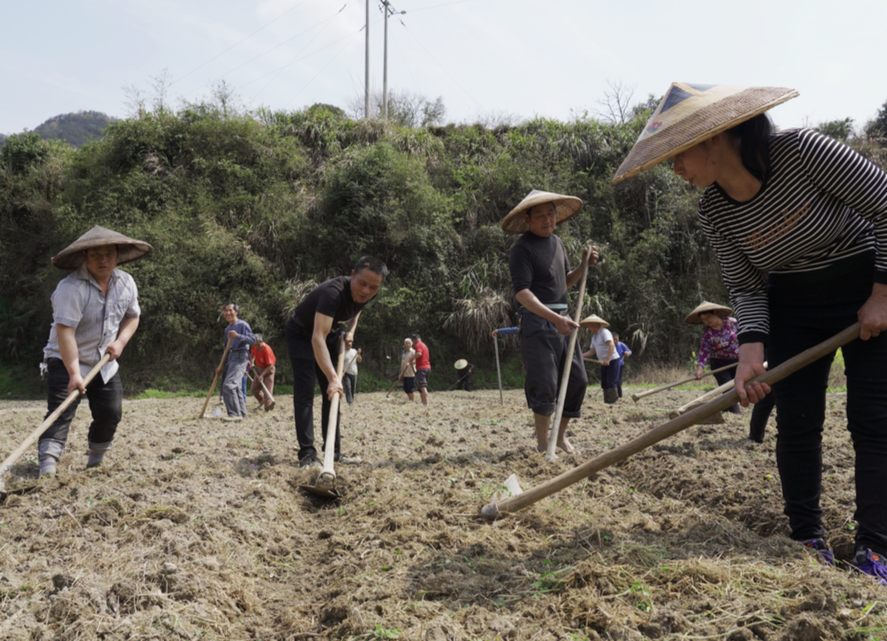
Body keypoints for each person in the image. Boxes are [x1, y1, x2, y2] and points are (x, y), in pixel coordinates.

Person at [614, 82, 887, 582]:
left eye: (678, 155)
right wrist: (750, 352)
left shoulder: (805, 152)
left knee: (874, 420)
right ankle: (807, 537)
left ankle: (877, 548)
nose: (674, 169)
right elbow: (745, 285)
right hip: (792, 304)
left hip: (864, 282)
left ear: (715, 138)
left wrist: (882, 294)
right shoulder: (714, 210)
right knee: (798, 421)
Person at [39, 226, 152, 477]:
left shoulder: (126, 282)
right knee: (61, 410)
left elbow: (133, 317)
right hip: (65, 358)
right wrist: (74, 374)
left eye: (109, 254)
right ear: (84, 257)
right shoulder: (71, 288)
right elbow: (65, 332)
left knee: (111, 411)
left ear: (118, 255)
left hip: (104, 360)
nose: (103, 260)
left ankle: (95, 460)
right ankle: (47, 465)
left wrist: (120, 342)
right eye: (96, 254)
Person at [502, 189, 598, 453]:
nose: (547, 220)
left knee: (578, 380)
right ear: (528, 219)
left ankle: (560, 436)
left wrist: (583, 266)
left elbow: (564, 282)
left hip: (565, 320)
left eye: (551, 214)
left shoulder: (557, 243)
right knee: (544, 384)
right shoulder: (522, 249)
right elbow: (522, 293)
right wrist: (553, 318)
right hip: (538, 321)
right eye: (540, 215)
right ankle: (544, 445)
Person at [285, 256, 387, 468]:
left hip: (330, 334)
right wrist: (333, 377)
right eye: (362, 284)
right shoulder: (333, 293)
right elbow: (316, 338)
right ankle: (307, 454)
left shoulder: (368, 293)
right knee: (305, 391)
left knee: (333, 395)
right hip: (303, 334)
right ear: (352, 275)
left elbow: (357, 309)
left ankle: (334, 452)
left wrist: (350, 331)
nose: (366, 291)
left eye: (373, 287)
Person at [686, 301, 741, 415]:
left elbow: (746, 337)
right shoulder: (707, 334)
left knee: (737, 387)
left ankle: (726, 408)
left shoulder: (733, 323)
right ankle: (735, 415)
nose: (707, 321)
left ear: (716, 312)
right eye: (704, 319)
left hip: (738, 362)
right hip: (719, 364)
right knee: (727, 389)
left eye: (709, 317)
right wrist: (700, 370)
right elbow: (704, 352)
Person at [216, 302, 254, 421]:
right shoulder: (227, 329)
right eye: (226, 311)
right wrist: (221, 365)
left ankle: (234, 414)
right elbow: (225, 350)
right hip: (231, 357)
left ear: (236, 311)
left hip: (241, 356)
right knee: (236, 388)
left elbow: (253, 339)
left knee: (229, 385)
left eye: (230, 310)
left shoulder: (242, 324)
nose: (227, 313)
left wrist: (238, 336)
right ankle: (243, 415)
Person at [580, 315, 619, 404]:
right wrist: (581, 356)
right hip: (603, 362)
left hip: (612, 360)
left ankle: (613, 402)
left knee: (611, 382)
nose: (589, 327)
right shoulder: (594, 336)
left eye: (589, 325)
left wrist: (608, 359)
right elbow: (592, 351)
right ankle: (607, 402)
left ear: (594, 324)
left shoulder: (604, 332)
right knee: (604, 383)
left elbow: (611, 345)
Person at [249, 334, 276, 411]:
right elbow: (252, 355)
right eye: (255, 345)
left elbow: (270, 365)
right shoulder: (254, 346)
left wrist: (262, 375)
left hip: (269, 370)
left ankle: (268, 409)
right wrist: (252, 363)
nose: (257, 346)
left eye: (258, 345)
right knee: (254, 389)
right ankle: (262, 400)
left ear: (262, 341)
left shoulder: (267, 350)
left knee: (267, 390)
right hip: (259, 369)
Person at [411, 333, 431, 406]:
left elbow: (419, 354)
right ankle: (423, 402)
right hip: (427, 367)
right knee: (421, 386)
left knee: (422, 386)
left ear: (413, 340)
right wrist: (413, 362)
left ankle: (426, 403)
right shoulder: (424, 345)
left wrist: (411, 358)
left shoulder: (418, 345)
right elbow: (422, 358)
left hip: (421, 368)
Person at [612, 332, 632, 399]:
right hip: (612, 365)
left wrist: (627, 352)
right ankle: (612, 395)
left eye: (616, 339)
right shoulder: (609, 345)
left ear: (618, 339)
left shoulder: (621, 345)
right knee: (612, 381)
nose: (615, 341)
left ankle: (620, 396)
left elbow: (629, 351)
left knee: (619, 381)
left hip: (620, 365)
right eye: (613, 339)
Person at [342, 339, 362, 405]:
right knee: (348, 387)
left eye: (349, 345)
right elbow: (341, 363)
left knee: (353, 388)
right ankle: (349, 401)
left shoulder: (354, 351)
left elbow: (359, 360)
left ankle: (351, 400)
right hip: (346, 372)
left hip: (354, 372)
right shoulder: (343, 352)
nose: (348, 346)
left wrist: (358, 354)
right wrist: (342, 371)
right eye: (347, 345)